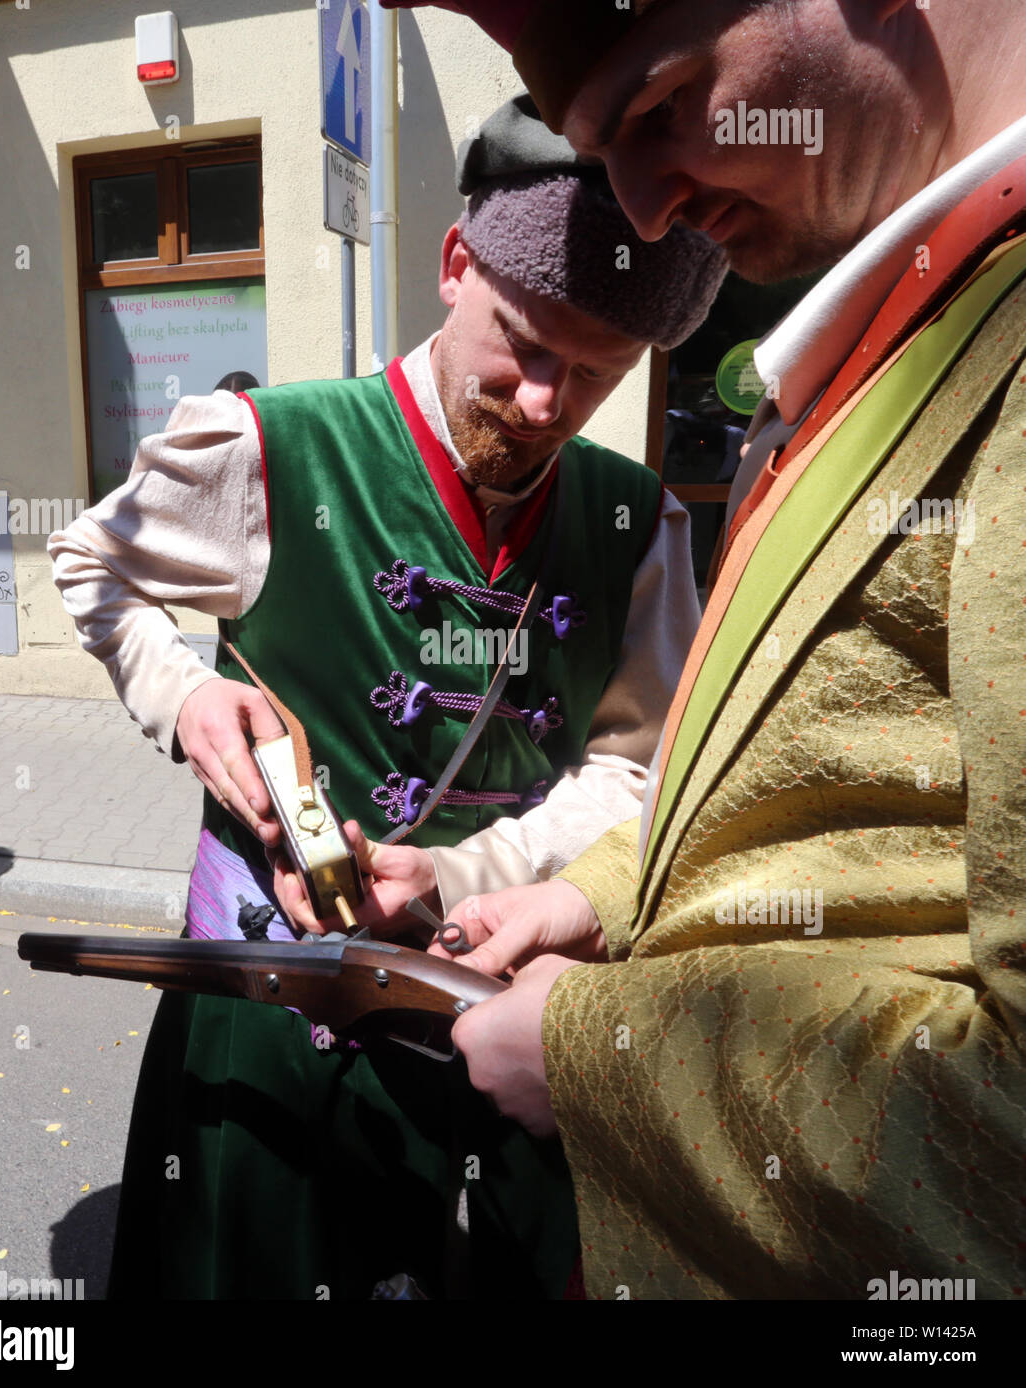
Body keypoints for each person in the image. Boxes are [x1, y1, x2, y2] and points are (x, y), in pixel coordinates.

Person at [375, 0, 1026, 1298]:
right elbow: (852, 809)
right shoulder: (929, 307)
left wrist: (589, 1050)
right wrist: (600, 893)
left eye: (659, 102)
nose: (646, 209)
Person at [49, 95, 727, 1299]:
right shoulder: (267, 449)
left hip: (508, 1022)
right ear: (454, 265)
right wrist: (182, 696)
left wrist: (470, 881)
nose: (542, 404)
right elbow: (90, 561)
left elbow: (630, 772)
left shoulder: (635, 521)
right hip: (271, 1023)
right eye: (523, 343)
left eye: (592, 372)